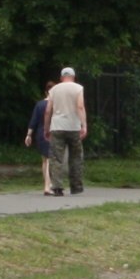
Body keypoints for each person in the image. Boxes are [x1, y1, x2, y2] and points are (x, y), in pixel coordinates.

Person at [44, 65, 88, 196]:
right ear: (73, 77)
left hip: (57, 127)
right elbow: (80, 106)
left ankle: (57, 187)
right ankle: (76, 186)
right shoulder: (78, 88)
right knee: (75, 157)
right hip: (73, 127)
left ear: (61, 77)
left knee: (56, 158)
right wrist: (83, 125)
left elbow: (47, 111)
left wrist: (46, 128)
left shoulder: (54, 89)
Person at [25, 86, 53, 194]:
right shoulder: (54, 105)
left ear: (45, 92)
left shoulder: (39, 104)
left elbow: (33, 121)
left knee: (45, 160)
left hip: (40, 133)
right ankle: (47, 186)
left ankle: (47, 182)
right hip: (50, 132)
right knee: (50, 159)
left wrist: (28, 135)